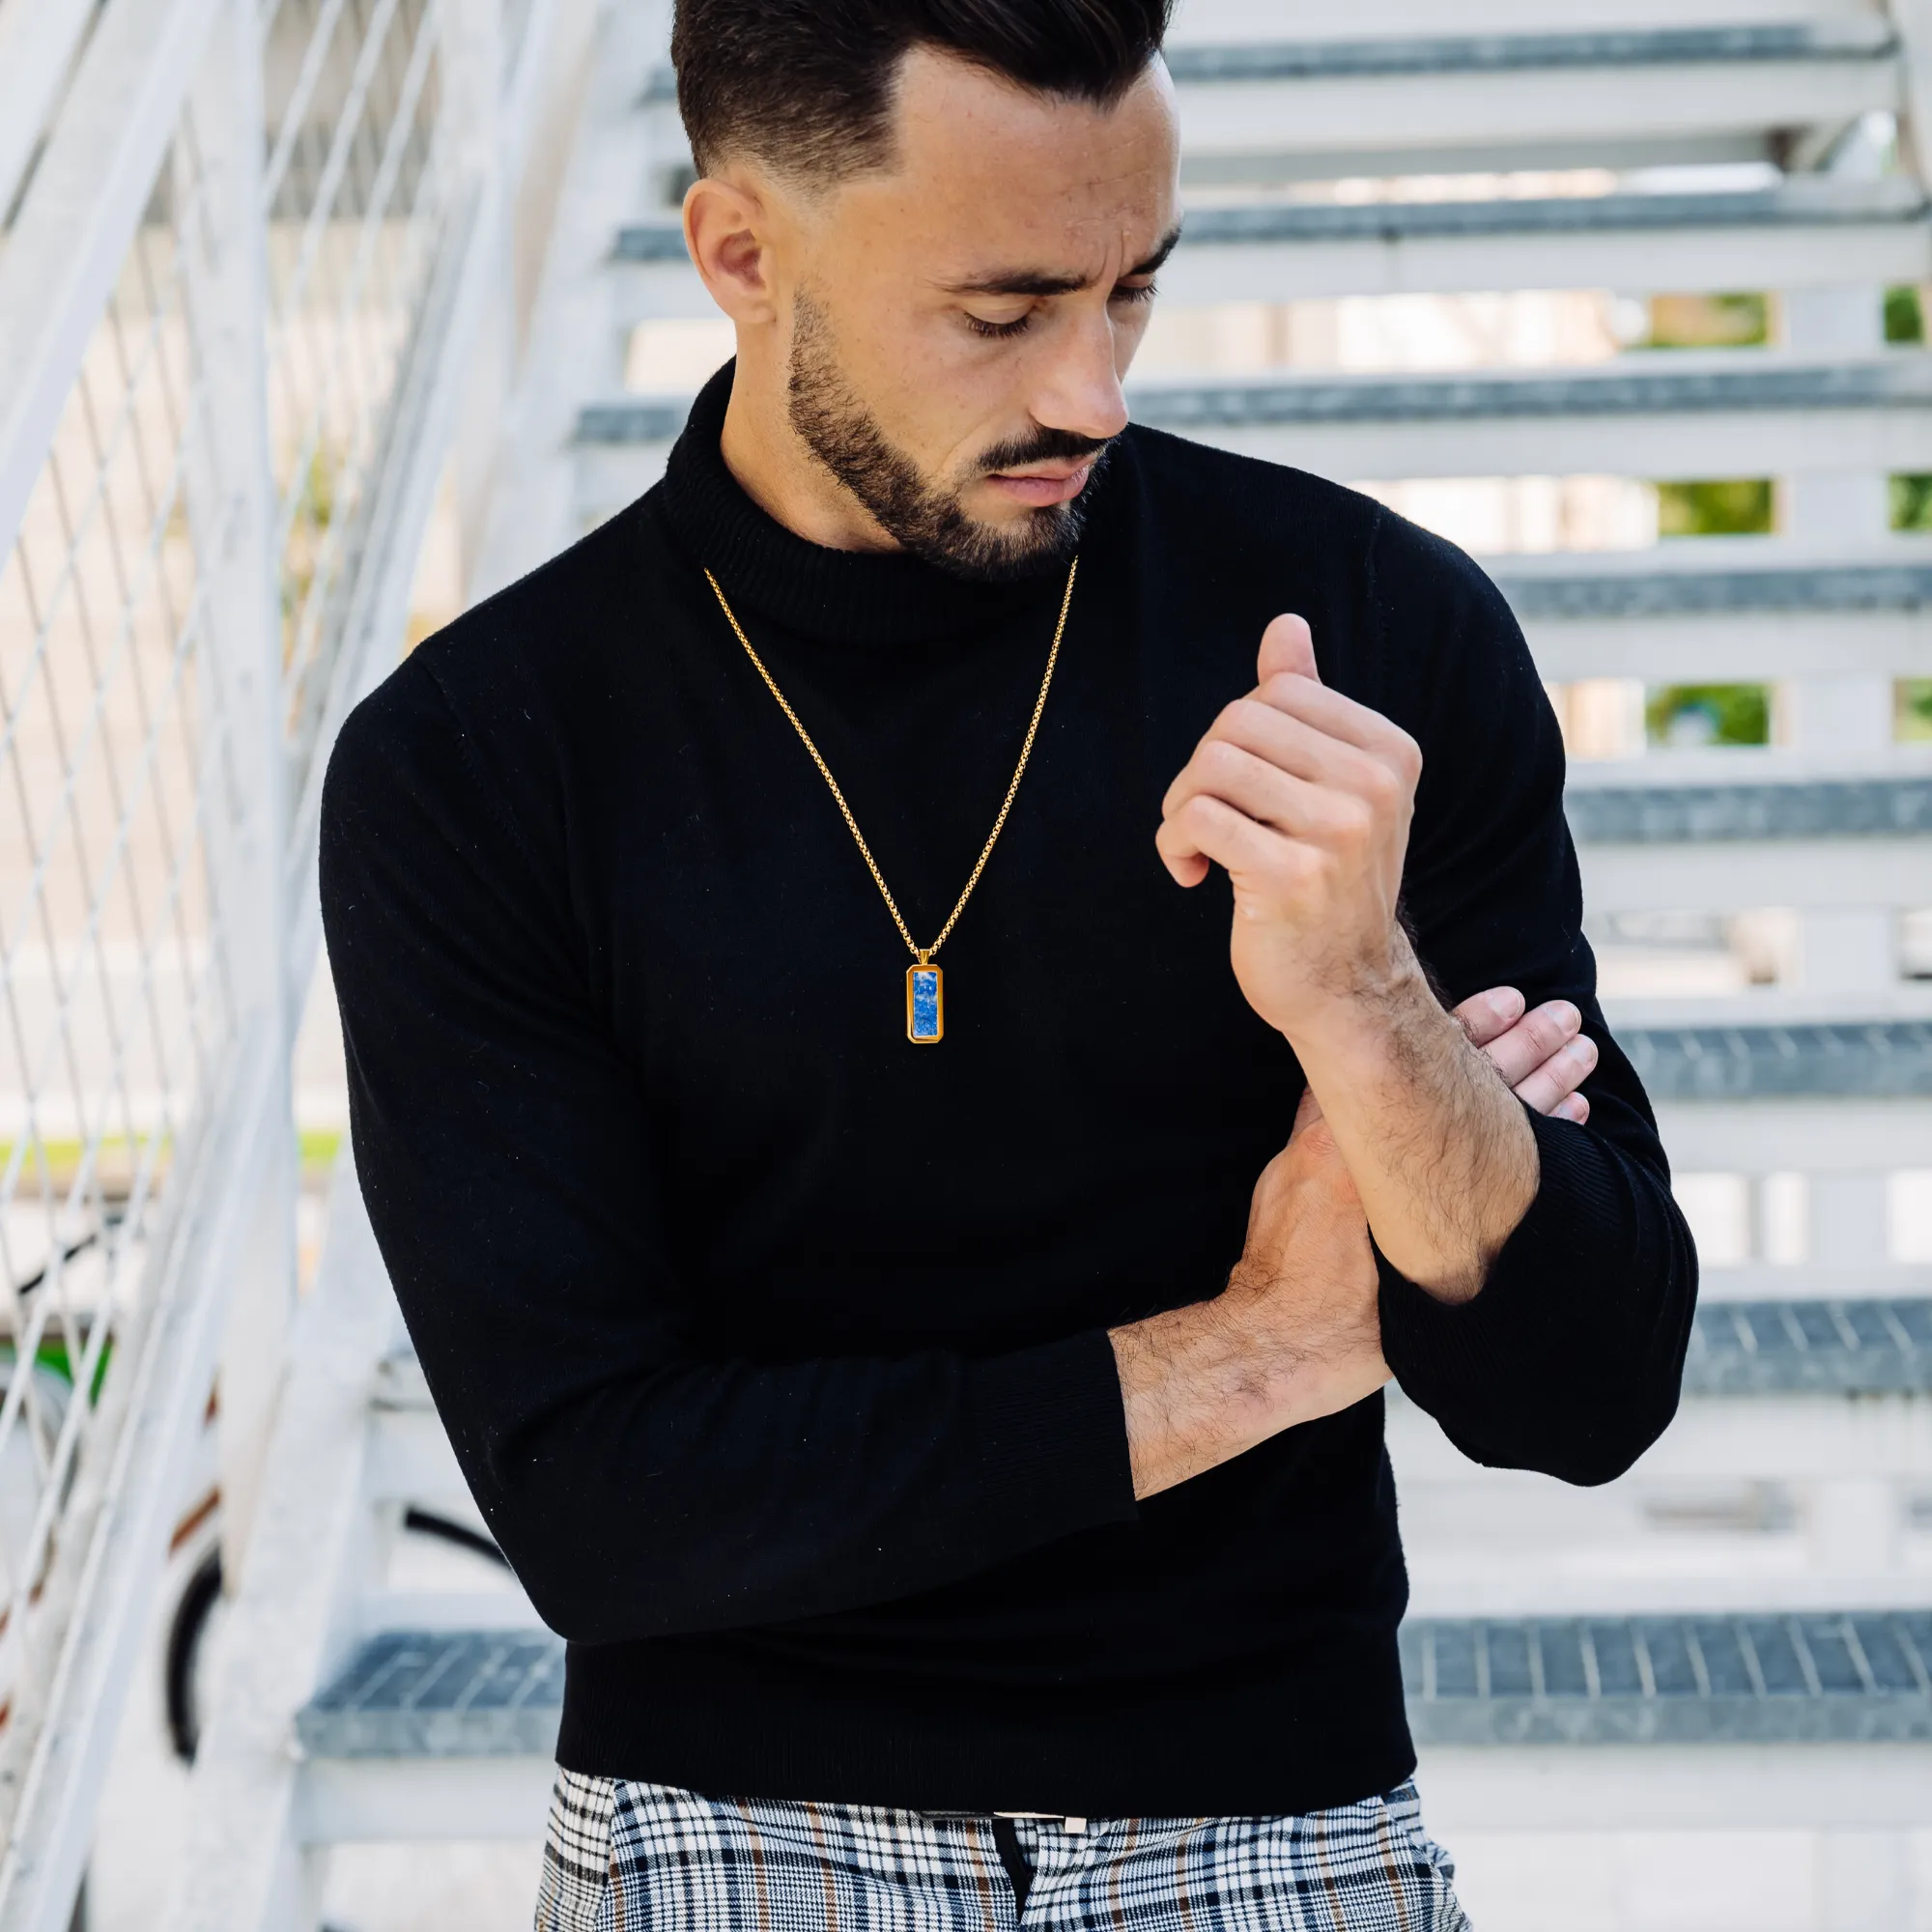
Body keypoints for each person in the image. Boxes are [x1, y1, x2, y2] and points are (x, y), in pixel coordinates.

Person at [319, 2, 1697, 1924]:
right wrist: (1261, 1352)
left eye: (1133, 290)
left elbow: (1588, 1387)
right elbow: (600, 1505)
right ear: (743, 256)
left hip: (1272, 1815)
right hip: (728, 1819)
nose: (1095, 387)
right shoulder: (489, 753)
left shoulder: (1361, 637)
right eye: (1004, 310)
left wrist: (1361, 1005)